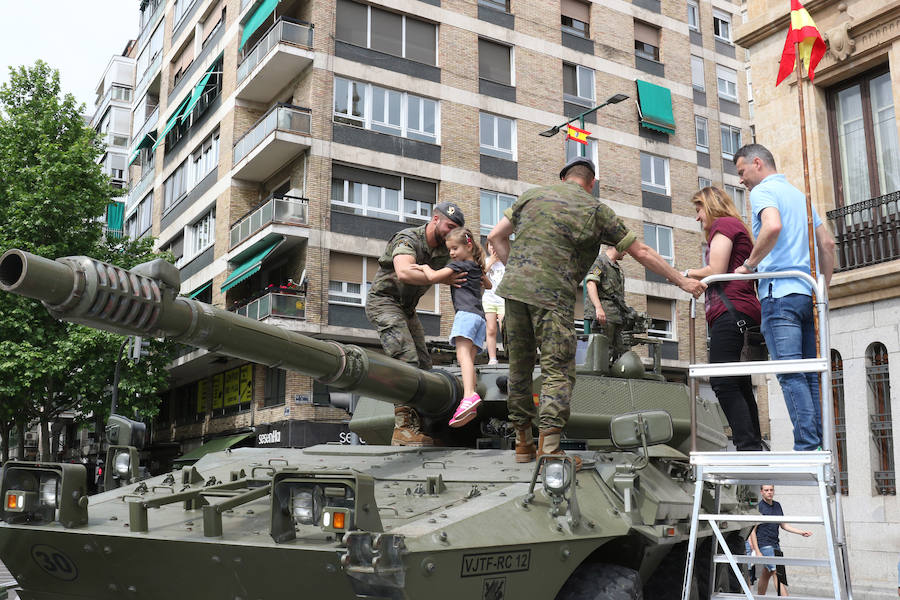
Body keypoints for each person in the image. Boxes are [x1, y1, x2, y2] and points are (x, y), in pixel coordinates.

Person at [488, 156, 707, 466]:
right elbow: (641, 252)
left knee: (519, 370)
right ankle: (549, 450)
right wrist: (681, 282)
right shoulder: (596, 210)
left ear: (563, 178)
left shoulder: (531, 196)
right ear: (591, 184)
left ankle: (523, 444)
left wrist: (519, 271)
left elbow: (495, 237)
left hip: (513, 292)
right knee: (557, 372)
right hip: (552, 298)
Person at [733, 144, 836, 451]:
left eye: (741, 172)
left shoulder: (762, 192)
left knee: (791, 375)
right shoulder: (800, 197)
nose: (741, 180)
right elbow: (827, 244)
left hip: (779, 295)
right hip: (806, 295)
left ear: (757, 164)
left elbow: (772, 226)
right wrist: (822, 291)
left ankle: (807, 444)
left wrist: (749, 265)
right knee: (808, 375)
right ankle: (817, 443)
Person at [366, 201, 466, 446]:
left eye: (455, 228)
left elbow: (467, 263)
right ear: (435, 219)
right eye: (449, 226)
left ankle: (425, 427)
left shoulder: (445, 250)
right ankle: (402, 429)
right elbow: (405, 272)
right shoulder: (408, 239)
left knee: (424, 368)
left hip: (408, 310)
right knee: (406, 360)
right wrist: (440, 277)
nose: (450, 232)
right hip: (385, 302)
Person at [685, 187, 763, 451]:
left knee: (722, 381)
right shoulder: (734, 226)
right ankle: (752, 444)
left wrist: (686, 273)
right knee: (739, 382)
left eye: (698, 210)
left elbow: (716, 270)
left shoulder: (723, 224)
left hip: (732, 314)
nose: (698, 218)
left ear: (710, 206)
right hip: (742, 312)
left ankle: (747, 445)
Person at [411, 227, 491, 427]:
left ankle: (469, 395)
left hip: (466, 315)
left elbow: (433, 278)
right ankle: (470, 403)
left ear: (468, 245)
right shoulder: (476, 266)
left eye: (455, 248)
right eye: (450, 250)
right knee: (469, 361)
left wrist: (423, 267)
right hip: (480, 318)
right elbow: (488, 285)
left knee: (462, 356)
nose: (452, 253)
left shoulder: (459, 265)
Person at [748, 484, 813, 596]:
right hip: (764, 545)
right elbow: (752, 531)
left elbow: (784, 525)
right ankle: (785, 598)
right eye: (766, 490)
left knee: (766, 573)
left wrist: (801, 532)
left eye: (771, 490)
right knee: (777, 573)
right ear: (761, 492)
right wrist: (758, 551)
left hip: (775, 544)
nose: (769, 492)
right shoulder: (759, 507)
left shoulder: (777, 506)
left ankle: (759, 598)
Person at [584, 246, 628, 351]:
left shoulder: (616, 267)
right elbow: (591, 283)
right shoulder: (600, 262)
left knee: (621, 353)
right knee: (602, 352)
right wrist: (598, 308)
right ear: (618, 246)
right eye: (625, 249)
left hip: (616, 318)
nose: (626, 253)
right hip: (603, 318)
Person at [482, 241, 506, 365]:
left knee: (504, 328)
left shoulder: (506, 262)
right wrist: (490, 262)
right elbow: (480, 276)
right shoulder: (485, 261)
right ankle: (492, 358)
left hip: (503, 300)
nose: (493, 247)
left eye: (495, 244)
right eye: (491, 245)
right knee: (491, 329)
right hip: (489, 300)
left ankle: (510, 355)